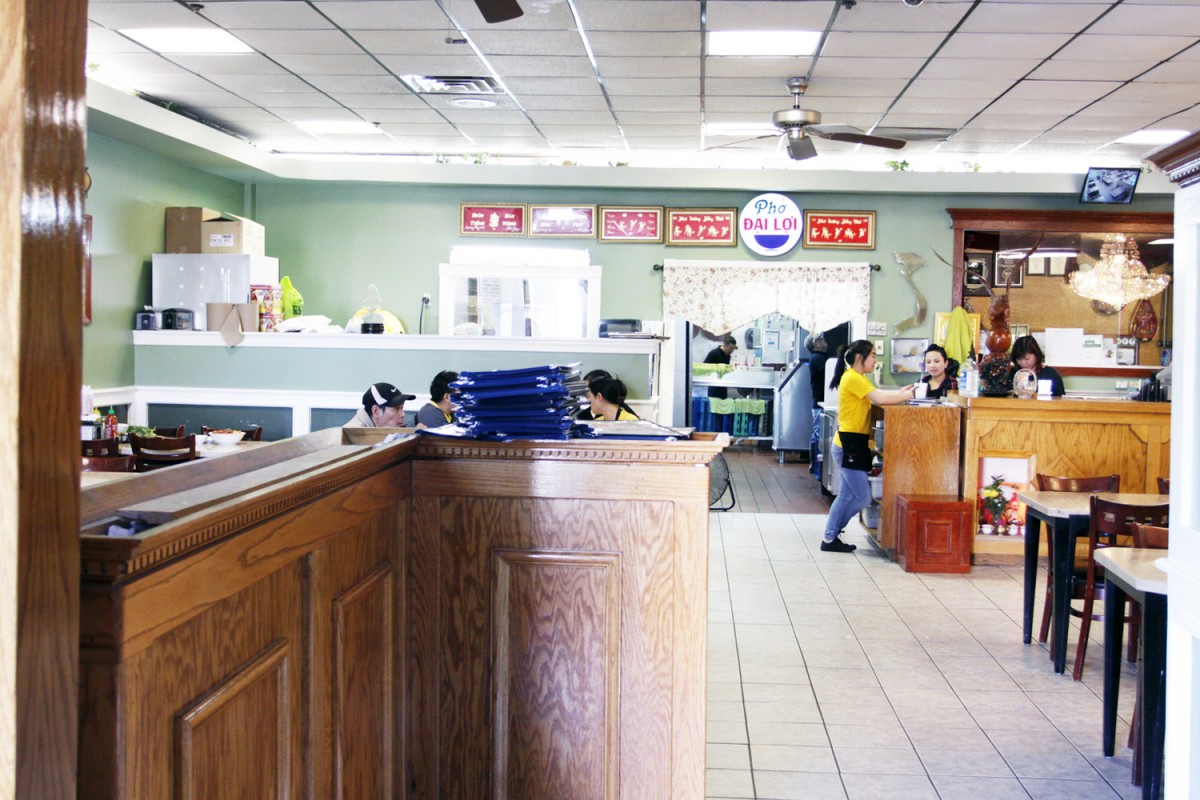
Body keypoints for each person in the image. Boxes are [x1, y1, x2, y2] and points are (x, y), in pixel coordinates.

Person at [822, 340, 916, 553]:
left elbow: (877, 396)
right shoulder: (853, 378)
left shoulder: (858, 378)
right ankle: (832, 533)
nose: (875, 360)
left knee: (846, 495)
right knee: (863, 497)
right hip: (848, 445)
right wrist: (906, 396)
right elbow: (880, 397)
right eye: (873, 356)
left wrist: (900, 394)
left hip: (851, 443)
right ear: (859, 358)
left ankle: (830, 536)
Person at [806, 333, 829, 476]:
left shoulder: (818, 358)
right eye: (822, 339)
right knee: (819, 436)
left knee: (817, 435)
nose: (825, 341)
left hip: (819, 403)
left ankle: (815, 466)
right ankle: (817, 467)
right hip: (820, 403)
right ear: (816, 344)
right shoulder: (819, 359)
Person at [345, 382, 416, 427]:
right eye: (396, 408)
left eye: (402, 408)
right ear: (375, 411)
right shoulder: (352, 438)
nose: (403, 414)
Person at [704, 334, 738, 399]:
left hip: (723, 386)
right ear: (725, 346)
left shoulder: (728, 356)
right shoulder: (713, 353)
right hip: (714, 386)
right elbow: (704, 367)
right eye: (730, 348)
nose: (732, 351)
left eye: (733, 349)